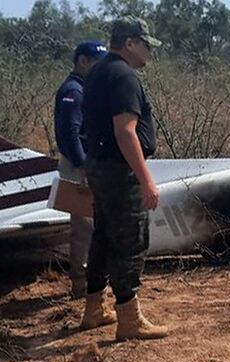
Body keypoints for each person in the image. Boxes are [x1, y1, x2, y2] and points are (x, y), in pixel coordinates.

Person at [81, 16, 167, 341]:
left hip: (99, 166)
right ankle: (129, 319)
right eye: (146, 45)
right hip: (120, 171)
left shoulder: (98, 72)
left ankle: (94, 308)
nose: (150, 52)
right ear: (129, 43)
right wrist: (146, 180)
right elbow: (126, 131)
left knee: (103, 235)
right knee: (130, 241)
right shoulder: (124, 76)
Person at [54, 40, 108, 299]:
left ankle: (89, 281)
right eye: (97, 62)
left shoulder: (84, 89)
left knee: (90, 223)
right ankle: (81, 284)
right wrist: (84, 167)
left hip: (86, 163)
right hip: (79, 166)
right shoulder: (73, 92)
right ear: (82, 61)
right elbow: (70, 135)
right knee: (84, 225)